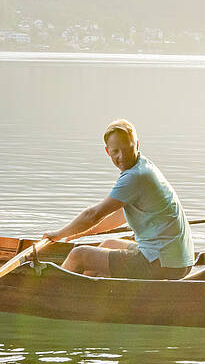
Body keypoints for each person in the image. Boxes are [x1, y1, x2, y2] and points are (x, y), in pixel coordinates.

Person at [43, 120, 194, 279]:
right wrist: (77, 234)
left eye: (127, 149)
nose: (121, 157)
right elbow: (118, 216)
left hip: (161, 264)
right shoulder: (144, 166)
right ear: (107, 152)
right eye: (115, 151)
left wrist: (57, 235)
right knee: (109, 244)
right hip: (179, 261)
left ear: (136, 144)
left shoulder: (135, 177)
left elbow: (93, 215)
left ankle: (50, 292)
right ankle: (85, 293)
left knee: (78, 255)